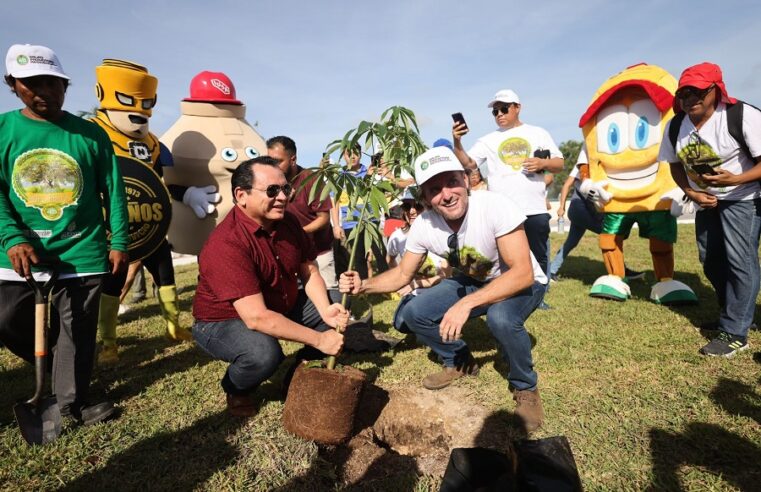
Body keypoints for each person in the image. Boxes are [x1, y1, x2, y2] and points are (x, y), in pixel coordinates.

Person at [340, 147, 548, 433]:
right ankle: (459, 361)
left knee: (501, 317)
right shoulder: (425, 225)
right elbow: (403, 273)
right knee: (414, 312)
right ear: (425, 198)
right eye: (435, 189)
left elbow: (522, 273)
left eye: (451, 182)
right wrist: (363, 284)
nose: (446, 194)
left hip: (523, 281)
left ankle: (525, 387)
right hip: (475, 279)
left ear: (465, 180)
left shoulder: (494, 206)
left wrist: (464, 305)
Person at [0, 44, 129, 424]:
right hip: (20, 253)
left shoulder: (89, 135)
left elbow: (114, 189)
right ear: (13, 85)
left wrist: (119, 240)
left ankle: (72, 401)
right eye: (31, 84)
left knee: (77, 330)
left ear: (65, 85)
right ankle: (66, 374)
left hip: (82, 248)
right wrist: (12, 237)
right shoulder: (3, 130)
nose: (43, 91)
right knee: (7, 319)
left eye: (52, 83)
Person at [191, 156, 348, 417]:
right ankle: (237, 388)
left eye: (286, 189)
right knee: (264, 352)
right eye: (272, 191)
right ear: (241, 195)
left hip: (277, 303)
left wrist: (325, 311)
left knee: (334, 305)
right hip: (223, 321)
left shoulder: (288, 222)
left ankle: (298, 377)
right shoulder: (226, 243)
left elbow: (308, 269)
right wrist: (321, 340)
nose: (283, 197)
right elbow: (256, 317)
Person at [91, 58, 192, 364]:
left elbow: (160, 182)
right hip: (113, 229)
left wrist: (187, 194)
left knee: (166, 275)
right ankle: (108, 342)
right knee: (111, 284)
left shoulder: (153, 143)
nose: (137, 112)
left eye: (146, 103)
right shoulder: (92, 134)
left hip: (150, 225)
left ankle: (174, 327)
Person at [659, 62, 761, 357]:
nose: (690, 99)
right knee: (711, 259)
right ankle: (736, 312)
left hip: (745, 196)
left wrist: (737, 178)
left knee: (740, 260)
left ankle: (734, 332)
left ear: (715, 91)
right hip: (707, 199)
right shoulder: (676, 125)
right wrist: (691, 192)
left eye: (697, 92)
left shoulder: (741, 116)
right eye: (684, 93)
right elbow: (675, 165)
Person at [452, 89, 563, 303]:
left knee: (538, 255)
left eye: (504, 108)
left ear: (517, 107)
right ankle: (508, 294)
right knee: (505, 258)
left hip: (534, 208)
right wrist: (457, 142)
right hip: (503, 212)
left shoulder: (538, 133)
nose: (499, 114)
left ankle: (537, 298)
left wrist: (543, 163)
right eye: (495, 111)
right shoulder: (488, 140)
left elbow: (560, 163)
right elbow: (468, 164)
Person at [550, 148, 644, 282]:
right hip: (579, 208)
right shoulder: (583, 167)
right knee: (610, 234)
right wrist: (561, 206)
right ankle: (620, 271)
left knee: (571, 242)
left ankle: (551, 271)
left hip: (583, 210)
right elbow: (566, 186)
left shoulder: (603, 169)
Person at [267, 136, 337, 291]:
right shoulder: (271, 183)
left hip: (319, 251)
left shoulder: (312, 180)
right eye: (269, 160)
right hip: (290, 252)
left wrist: (298, 233)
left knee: (328, 294)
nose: (273, 166)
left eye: (278, 161)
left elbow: (324, 219)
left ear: (293, 159)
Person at [331, 144, 386, 278]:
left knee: (380, 253)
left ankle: (388, 285)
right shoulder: (339, 177)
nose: (353, 157)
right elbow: (335, 203)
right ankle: (363, 288)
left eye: (356, 153)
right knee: (359, 257)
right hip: (350, 223)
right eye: (348, 154)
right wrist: (336, 225)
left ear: (361, 154)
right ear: (343, 156)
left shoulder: (370, 171)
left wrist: (372, 175)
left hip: (370, 220)